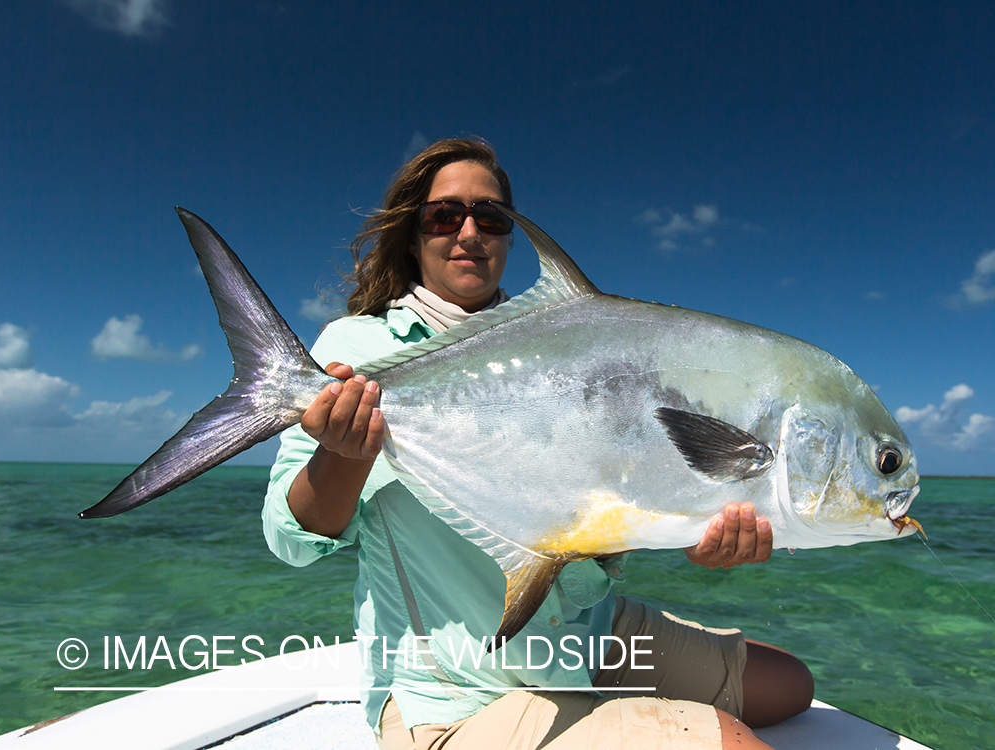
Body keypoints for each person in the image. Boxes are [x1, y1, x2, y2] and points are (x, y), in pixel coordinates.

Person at [263, 138, 814, 750]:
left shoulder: (574, 347)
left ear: (507, 236)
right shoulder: (360, 348)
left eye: (491, 217)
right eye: (445, 215)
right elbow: (292, 541)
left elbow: (607, 500)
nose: (469, 231)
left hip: (581, 633)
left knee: (790, 686)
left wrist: (700, 528)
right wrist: (346, 450)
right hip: (457, 684)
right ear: (414, 234)